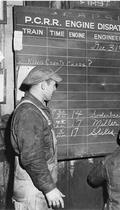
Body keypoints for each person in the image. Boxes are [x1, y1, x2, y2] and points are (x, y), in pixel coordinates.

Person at [10, 65, 65, 209]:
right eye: (53, 85)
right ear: (42, 85)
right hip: (32, 192)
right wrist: (49, 188)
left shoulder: (37, 109)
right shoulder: (28, 113)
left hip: (37, 186)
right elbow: (32, 157)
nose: (55, 89)